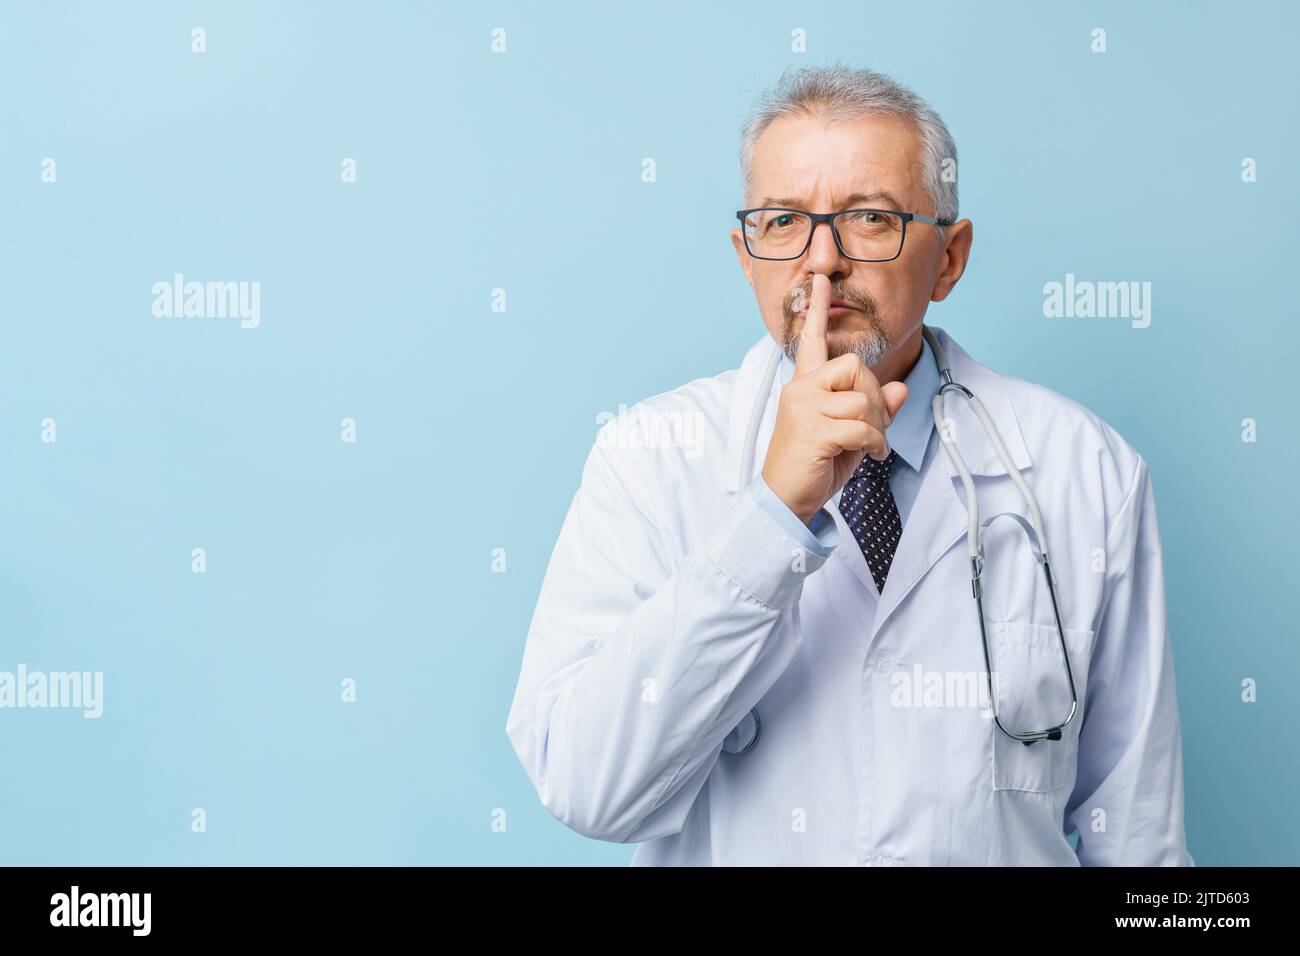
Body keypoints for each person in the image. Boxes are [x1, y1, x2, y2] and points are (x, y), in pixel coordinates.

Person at [505, 64, 1193, 866]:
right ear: (745, 254)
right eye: (784, 221)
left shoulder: (1087, 470)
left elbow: (1138, 836)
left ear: (949, 257)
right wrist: (769, 521)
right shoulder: (649, 460)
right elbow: (588, 788)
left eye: (870, 217)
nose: (820, 264)